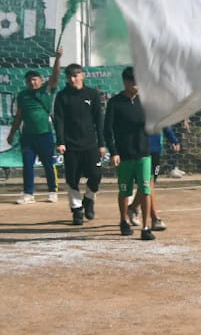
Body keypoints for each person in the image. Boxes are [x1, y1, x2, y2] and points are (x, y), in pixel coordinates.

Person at [104, 67, 155, 240]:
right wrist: (114, 152)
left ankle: (146, 227)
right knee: (125, 191)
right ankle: (123, 220)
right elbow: (107, 130)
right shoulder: (115, 103)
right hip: (124, 155)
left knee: (146, 190)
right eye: (134, 82)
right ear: (126, 82)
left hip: (144, 154)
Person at [52, 61, 106, 225]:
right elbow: (59, 121)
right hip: (71, 145)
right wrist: (61, 142)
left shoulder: (92, 94)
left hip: (90, 144)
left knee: (95, 175)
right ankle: (76, 210)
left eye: (75, 75)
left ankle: (89, 200)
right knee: (72, 179)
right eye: (69, 76)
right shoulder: (62, 96)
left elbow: (99, 120)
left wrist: (101, 143)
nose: (72, 79)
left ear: (82, 75)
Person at [7, 48, 62, 204]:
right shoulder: (23, 95)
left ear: (40, 80)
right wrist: (12, 133)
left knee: (49, 164)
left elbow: (55, 76)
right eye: (29, 80)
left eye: (35, 79)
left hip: (45, 134)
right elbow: (19, 116)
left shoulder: (46, 91)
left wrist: (58, 58)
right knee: (27, 165)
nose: (32, 82)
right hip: (28, 136)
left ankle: (53, 191)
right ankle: (28, 194)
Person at [129, 124, 180, 231]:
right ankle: (155, 218)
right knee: (148, 183)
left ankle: (133, 207)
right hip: (140, 148)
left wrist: (173, 139)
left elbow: (163, 122)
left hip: (155, 148)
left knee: (148, 184)